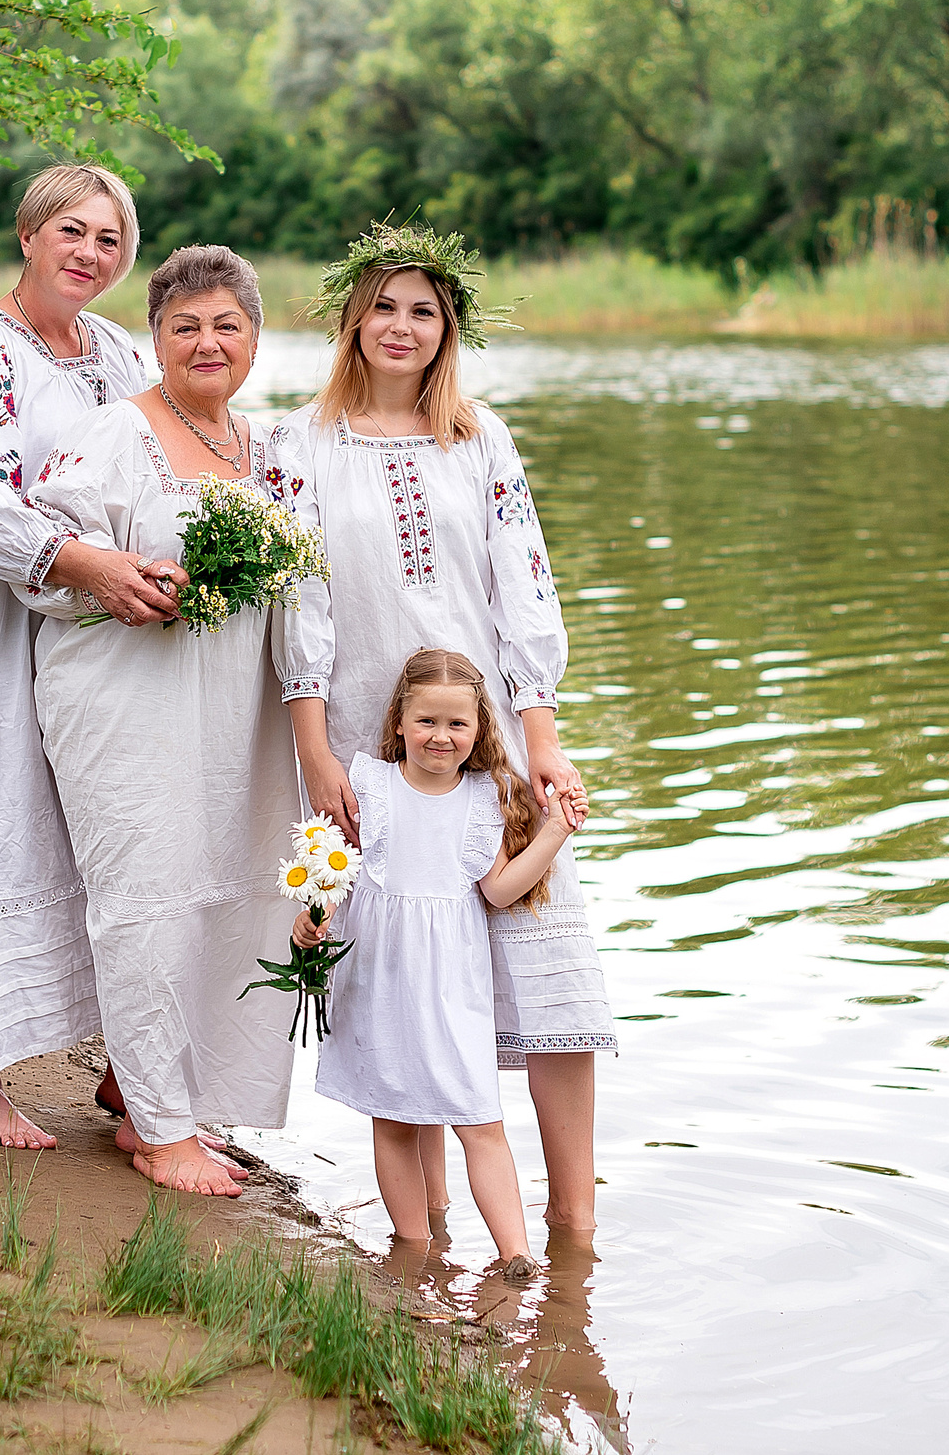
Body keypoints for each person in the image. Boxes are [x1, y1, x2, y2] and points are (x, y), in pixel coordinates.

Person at [270, 222, 616, 1231]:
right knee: (405, 980)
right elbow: (298, 597)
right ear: (351, 316)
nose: (401, 325)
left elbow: (524, 583)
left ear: (447, 326)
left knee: (550, 978)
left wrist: (540, 734)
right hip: (366, 753)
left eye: (423, 308)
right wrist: (313, 747)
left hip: (490, 741)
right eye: (383, 304)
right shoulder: (302, 442)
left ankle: (574, 1231)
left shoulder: (480, 437)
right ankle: (418, 1247)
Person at [0, 164, 191, 1150]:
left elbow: (157, 458)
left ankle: (122, 1072)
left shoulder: (113, 351)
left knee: (97, 828)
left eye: (110, 239)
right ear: (27, 234)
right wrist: (86, 564)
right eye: (72, 230)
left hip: (86, 626)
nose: (90, 253)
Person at [24, 245, 302, 1196]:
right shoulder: (115, 435)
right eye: (184, 326)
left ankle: (158, 1092)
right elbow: (50, 551)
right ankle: (157, 1126)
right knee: (146, 893)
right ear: (156, 341)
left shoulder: (267, 450)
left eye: (227, 324)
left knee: (224, 890)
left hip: (229, 713)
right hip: (123, 701)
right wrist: (120, 577)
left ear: (256, 339)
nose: (207, 341)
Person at [298, 648, 588, 1269]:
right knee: (395, 1120)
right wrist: (312, 921)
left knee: (480, 1117)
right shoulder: (370, 785)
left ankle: (516, 1254)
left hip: (452, 987)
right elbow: (335, 875)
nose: (441, 736)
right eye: (427, 721)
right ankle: (414, 1247)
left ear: (479, 729)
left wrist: (555, 832)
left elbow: (500, 891)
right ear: (400, 722)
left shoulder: (484, 799)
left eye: (457, 724)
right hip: (377, 979)